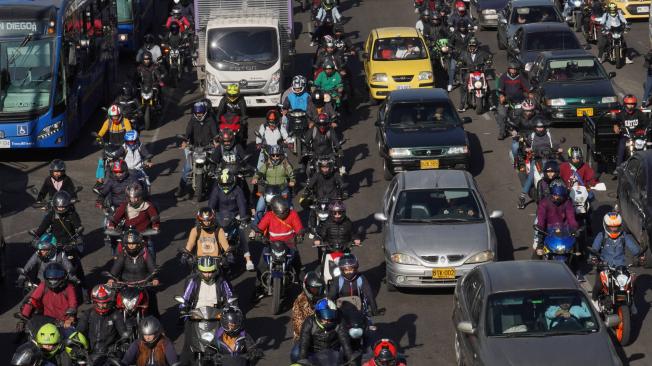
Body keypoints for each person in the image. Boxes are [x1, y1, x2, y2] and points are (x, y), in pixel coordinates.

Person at [178, 257, 237, 364]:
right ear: (200, 271)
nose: (208, 274)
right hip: (196, 315)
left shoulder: (221, 281)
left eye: (210, 271)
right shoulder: (194, 281)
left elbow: (229, 296)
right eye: (205, 272)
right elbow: (186, 298)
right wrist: (183, 308)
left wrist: (231, 306)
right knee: (188, 344)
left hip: (216, 315)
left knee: (225, 340)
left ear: (215, 270)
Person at [253, 197, 304, 301]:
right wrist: (258, 234)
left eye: (285, 211)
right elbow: (260, 228)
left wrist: (300, 235)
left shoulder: (293, 214)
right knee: (261, 266)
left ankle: (302, 284)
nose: (283, 214)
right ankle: (258, 288)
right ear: (274, 210)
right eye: (280, 212)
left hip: (289, 243)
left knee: (297, 262)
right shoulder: (269, 216)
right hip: (271, 244)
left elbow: (299, 228)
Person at [590, 212, 643, 299]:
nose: (614, 229)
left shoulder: (624, 236)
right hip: (604, 266)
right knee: (598, 286)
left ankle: (631, 302)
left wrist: (640, 256)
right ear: (606, 225)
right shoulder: (601, 235)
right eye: (611, 227)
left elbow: (634, 249)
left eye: (616, 227)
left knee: (632, 285)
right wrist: (593, 259)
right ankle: (594, 302)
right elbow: (594, 249)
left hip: (620, 267)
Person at [207, 170, 254, 270]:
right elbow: (211, 205)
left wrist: (243, 218)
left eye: (227, 184)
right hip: (219, 217)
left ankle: (248, 260)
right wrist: (209, 215)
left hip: (235, 216)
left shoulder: (237, 190)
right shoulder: (216, 190)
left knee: (242, 235)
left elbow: (242, 205)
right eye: (223, 184)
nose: (225, 186)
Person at [108, 229, 160, 317]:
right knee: (113, 303)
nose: (131, 246)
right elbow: (116, 268)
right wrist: (111, 278)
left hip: (143, 286)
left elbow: (152, 268)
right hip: (125, 286)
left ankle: (157, 324)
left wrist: (155, 279)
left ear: (139, 243)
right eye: (129, 244)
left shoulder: (145, 253)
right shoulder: (123, 254)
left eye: (133, 243)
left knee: (152, 302)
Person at [176, 101, 219, 198]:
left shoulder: (210, 120)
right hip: (194, 148)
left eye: (201, 113)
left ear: (205, 112)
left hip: (207, 148)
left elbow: (214, 132)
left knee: (215, 168)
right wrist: (185, 141)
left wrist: (216, 141)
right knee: (187, 168)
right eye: (197, 113)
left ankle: (217, 189)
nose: (199, 115)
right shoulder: (192, 120)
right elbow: (188, 132)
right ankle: (181, 188)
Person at [517, 120, 562, 209]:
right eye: (538, 127)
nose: (540, 129)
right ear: (535, 128)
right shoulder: (532, 136)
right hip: (537, 159)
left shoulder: (549, 135)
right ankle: (522, 197)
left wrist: (559, 148)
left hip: (550, 159)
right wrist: (527, 149)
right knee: (530, 177)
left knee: (559, 174)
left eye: (541, 127)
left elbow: (556, 144)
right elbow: (526, 145)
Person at [76, 284, 129, 360]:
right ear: (94, 301)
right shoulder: (87, 314)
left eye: (104, 303)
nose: (102, 306)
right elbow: (79, 331)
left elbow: (123, 332)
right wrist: (78, 346)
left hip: (110, 355)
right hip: (89, 354)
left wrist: (125, 342)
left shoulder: (116, 314)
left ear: (109, 302)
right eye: (99, 302)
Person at [19, 262, 78, 329]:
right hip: (46, 321)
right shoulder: (43, 285)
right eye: (51, 278)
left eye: (56, 276)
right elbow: (32, 300)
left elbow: (73, 304)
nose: (53, 281)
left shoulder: (69, 287)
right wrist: (23, 319)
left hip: (64, 323)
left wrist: (70, 318)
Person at [108, 182, 160, 258]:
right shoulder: (125, 205)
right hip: (128, 234)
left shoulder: (148, 206)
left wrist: (155, 226)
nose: (133, 200)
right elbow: (116, 217)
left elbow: (155, 218)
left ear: (140, 196)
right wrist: (112, 225)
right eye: (130, 198)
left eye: (135, 197)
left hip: (143, 235)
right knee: (118, 253)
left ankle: (152, 268)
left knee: (150, 249)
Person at [251, 145, 296, 227]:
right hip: (269, 190)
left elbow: (291, 174)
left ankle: (292, 226)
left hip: (282, 190)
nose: (275, 157)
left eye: (277, 155)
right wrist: (255, 178)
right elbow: (259, 172)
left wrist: (292, 181)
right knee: (259, 209)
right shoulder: (267, 164)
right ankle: (255, 227)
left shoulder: (285, 163)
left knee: (289, 208)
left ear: (281, 155)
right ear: (270, 155)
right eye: (273, 155)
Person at [298, 298, 354, 363]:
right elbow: (304, 343)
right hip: (314, 354)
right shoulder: (309, 322)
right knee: (295, 353)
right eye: (324, 314)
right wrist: (303, 360)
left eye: (331, 314)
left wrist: (351, 360)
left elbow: (345, 342)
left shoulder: (339, 322)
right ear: (318, 314)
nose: (327, 320)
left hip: (334, 354)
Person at [534, 181, 579, 253]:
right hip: (547, 231)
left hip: (564, 230)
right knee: (538, 252)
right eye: (555, 195)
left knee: (575, 250)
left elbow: (571, 218)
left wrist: (574, 228)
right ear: (551, 194)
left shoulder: (567, 203)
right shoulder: (544, 203)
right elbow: (541, 218)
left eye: (560, 196)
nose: (557, 198)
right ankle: (539, 246)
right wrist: (540, 227)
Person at [613, 94, 650, 173]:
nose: (631, 106)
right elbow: (616, 122)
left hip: (638, 136)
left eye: (632, 104)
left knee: (647, 146)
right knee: (621, 147)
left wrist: (646, 129)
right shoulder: (621, 114)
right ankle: (618, 167)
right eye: (629, 104)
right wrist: (616, 126)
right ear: (625, 105)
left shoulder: (638, 113)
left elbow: (646, 122)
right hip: (626, 136)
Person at [456, 37, 492, 112]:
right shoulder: (464, 53)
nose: (472, 47)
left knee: (486, 86)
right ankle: (462, 105)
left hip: (480, 72)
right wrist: (459, 63)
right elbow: (460, 60)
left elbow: (489, 57)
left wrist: (488, 62)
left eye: (474, 46)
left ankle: (490, 104)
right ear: (468, 46)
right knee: (464, 87)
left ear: (477, 46)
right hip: (469, 72)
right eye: (471, 46)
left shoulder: (482, 52)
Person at [497, 62, 530, 140]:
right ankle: (502, 132)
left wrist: (530, 93)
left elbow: (527, 87)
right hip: (506, 100)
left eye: (515, 69)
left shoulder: (521, 77)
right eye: (512, 69)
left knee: (524, 112)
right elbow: (500, 89)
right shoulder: (503, 77)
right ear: (509, 69)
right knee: (502, 115)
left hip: (519, 100)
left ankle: (523, 130)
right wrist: (502, 96)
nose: (514, 71)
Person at [509, 99, 542, 165]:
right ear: (523, 110)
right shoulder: (518, 116)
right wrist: (514, 131)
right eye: (527, 111)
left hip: (535, 136)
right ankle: (515, 160)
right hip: (521, 136)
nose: (529, 113)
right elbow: (513, 126)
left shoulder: (537, 116)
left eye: (530, 111)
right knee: (515, 147)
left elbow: (543, 124)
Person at [447, 21, 473, 92]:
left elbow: (473, 43)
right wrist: (451, 50)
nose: (462, 29)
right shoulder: (455, 34)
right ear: (458, 28)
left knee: (471, 67)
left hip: (467, 55)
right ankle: (450, 84)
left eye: (464, 27)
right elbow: (449, 43)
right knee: (452, 69)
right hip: (456, 55)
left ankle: (471, 82)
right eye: (461, 27)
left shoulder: (470, 34)